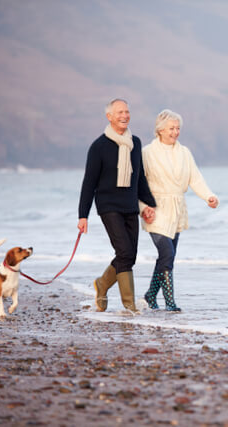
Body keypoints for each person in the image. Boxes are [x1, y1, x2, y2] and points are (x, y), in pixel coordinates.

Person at [78, 98, 157, 313]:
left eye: (127, 112)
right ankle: (129, 305)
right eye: (120, 112)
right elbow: (89, 182)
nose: (124, 116)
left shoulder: (136, 143)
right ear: (109, 117)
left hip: (130, 205)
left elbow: (139, 178)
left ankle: (102, 284)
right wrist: (82, 215)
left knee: (129, 255)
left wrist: (151, 204)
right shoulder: (99, 146)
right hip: (108, 206)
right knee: (124, 250)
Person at [139, 109, 219, 312]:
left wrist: (208, 196)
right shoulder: (147, 152)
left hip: (177, 209)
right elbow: (139, 183)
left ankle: (150, 296)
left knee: (168, 256)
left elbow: (195, 178)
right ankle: (170, 302)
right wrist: (142, 208)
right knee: (167, 252)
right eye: (171, 128)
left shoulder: (184, 153)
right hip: (155, 209)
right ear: (160, 130)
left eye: (178, 128)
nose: (175, 132)